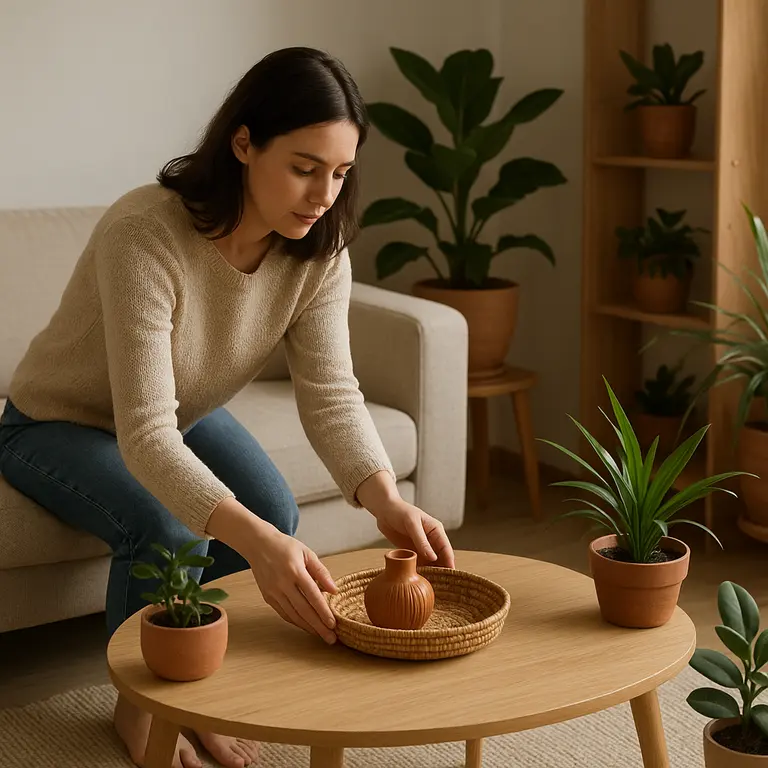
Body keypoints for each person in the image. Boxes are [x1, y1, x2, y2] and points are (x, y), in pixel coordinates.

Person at [0, 46, 455, 768]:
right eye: (304, 168)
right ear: (244, 144)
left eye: (340, 173)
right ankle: (145, 706)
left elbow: (332, 393)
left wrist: (382, 501)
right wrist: (249, 543)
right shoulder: (145, 233)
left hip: (175, 412)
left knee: (273, 512)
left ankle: (206, 684)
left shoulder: (319, 253)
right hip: (54, 420)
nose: (323, 195)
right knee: (167, 527)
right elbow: (144, 433)